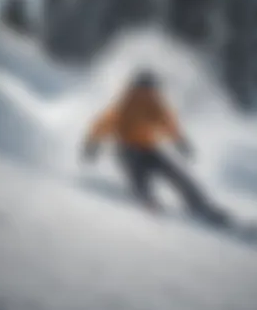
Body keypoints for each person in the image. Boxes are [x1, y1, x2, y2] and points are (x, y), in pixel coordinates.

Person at [80, 70, 231, 228]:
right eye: (151, 87)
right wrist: (180, 142)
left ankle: (149, 200)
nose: (151, 91)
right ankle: (195, 205)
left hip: (135, 149)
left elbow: (104, 123)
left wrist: (92, 143)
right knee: (172, 174)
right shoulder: (142, 102)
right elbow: (168, 124)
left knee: (147, 176)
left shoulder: (134, 101)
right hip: (135, 149)